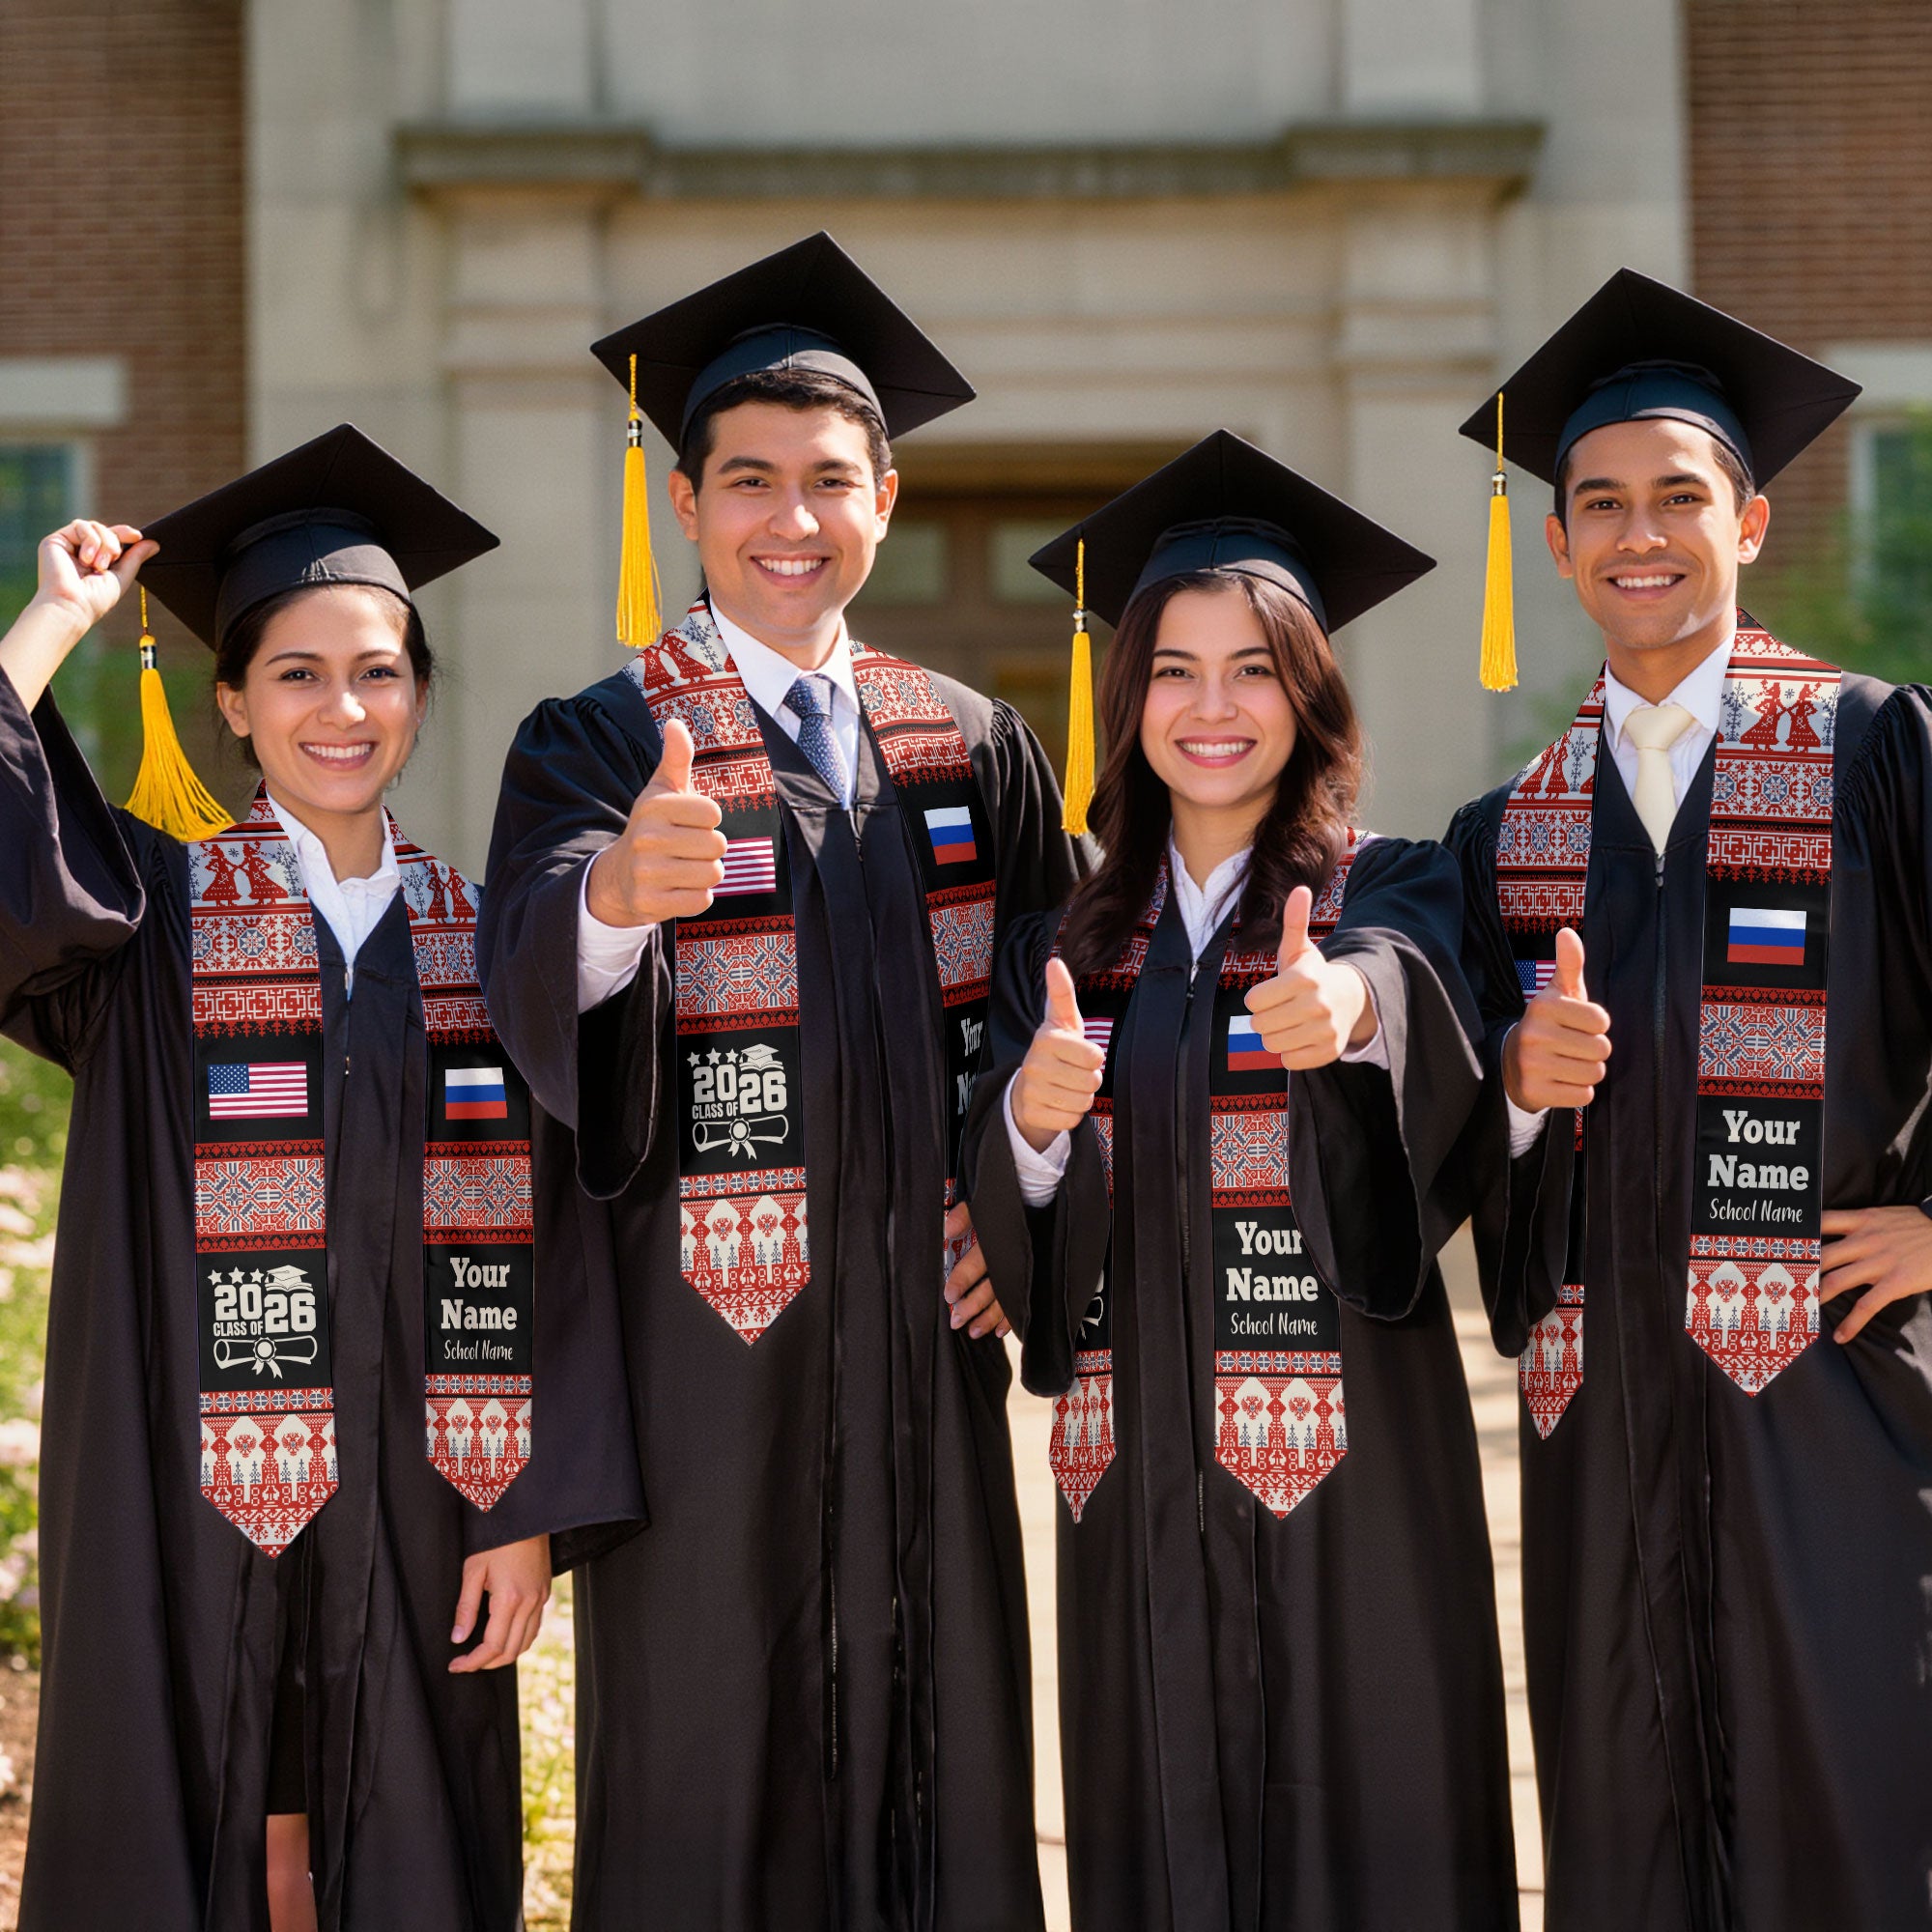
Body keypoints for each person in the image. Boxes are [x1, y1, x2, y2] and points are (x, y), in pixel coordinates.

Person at [478, 233, 1083, 1930]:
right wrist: (611, 899)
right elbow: (526, 966)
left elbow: (1076, 1006)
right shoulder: (599, 738)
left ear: (886, 497)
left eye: (830, 481)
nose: (790, 519)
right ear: (686, 505)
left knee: (941, 1754)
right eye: (749, 481)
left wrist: (1019, 1200)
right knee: (709, 1771)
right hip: (707, 1370)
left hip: (921, 1357)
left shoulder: (971, 740)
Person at [0, 425, 641, 1932]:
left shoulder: (491, 943)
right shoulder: (147, 918)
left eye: (378, 670)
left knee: (406, 1835)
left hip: (430, 1491)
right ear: (231, 701)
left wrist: (525, 1507)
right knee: (196, 1807)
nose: (340, 708)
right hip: (184, 1481)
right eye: (295, 673)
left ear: (420, 694)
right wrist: (51, 624)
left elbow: (561, 1243)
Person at [962, 431, 1518, 1930]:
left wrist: (1347, 1013)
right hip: (1134, 1473)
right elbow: (1013, 1210)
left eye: (1256, 668)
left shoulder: (1390, 886)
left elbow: (1417, 998)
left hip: (1355, 1475)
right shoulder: (1063, 947)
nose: (1214, 708)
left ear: (1311, 692)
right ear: (1127, 696)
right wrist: (1030, 1116)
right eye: (1175, 670)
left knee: (1376, 1827)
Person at [1447, 270, 1932, 1931]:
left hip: (1837, 1404)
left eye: (1677, 497)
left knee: (1855, 1810)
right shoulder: (1510, 832)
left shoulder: (1874, 750)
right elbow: (1453, 1144)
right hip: (1606, 1427)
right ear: (1561, 542)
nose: (1637, 534)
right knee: (1625, 1825)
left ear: (1752, 519)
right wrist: (1513, 1092)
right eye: (1599, 504)